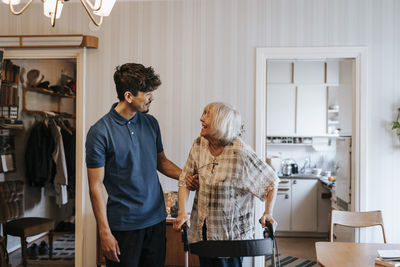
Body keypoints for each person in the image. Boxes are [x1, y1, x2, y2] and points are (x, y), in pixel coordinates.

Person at [86, 63, 183, 267]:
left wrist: (186, 176)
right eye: (147, 93)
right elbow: (95, 186)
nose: (152, 97)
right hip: (123, 227)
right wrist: (104, 232)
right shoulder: (100, 132)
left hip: (156, 222)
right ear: (129, 96)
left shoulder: (151, 123)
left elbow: (161, 161)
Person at [173, 102, 280, 267]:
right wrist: (182, 213)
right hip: (203, 232)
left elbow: (272, 181)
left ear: (220, 122)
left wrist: (268, 212)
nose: (201, 118)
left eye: (207, 115)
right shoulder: (198, 144)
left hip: (231, 236)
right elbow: (184, 180)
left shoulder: (240, 152)